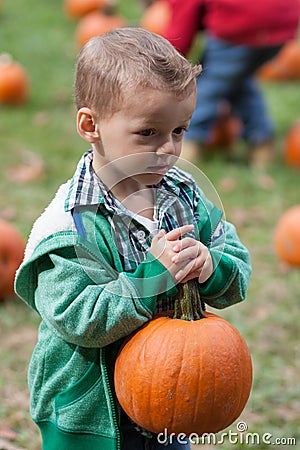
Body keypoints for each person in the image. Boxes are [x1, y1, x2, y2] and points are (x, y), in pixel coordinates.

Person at [15, 28, 252, 450]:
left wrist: (213, 265)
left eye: (179, 131)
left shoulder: (184, 197)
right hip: (90, 414)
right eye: (148, 133)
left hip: (171, 395)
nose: (167, 149)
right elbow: (76, 316)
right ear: (91, 125)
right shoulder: (70, 225)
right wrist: (152, 278)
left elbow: (236, 262)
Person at [159, 0, 300, 166]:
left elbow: (180, 31)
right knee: (238, 82)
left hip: (240, 27)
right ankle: (261, 143)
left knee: (206, 90)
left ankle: (187, 146)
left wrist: (165, 66)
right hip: (281, 23)